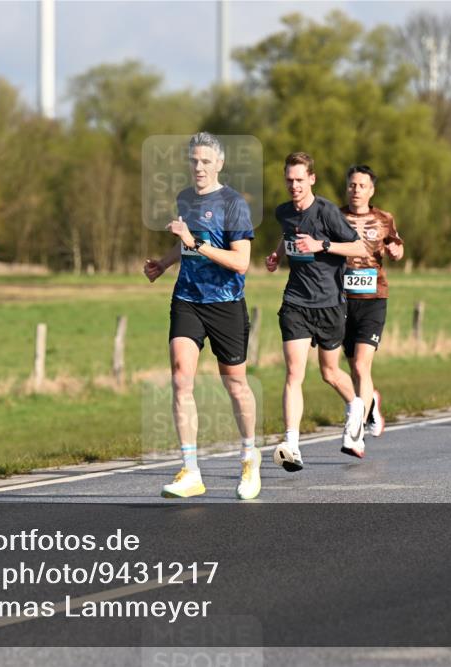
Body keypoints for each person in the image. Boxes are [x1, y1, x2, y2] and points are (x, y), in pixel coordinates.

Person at [143, 132, 261, 499]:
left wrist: (196, 243)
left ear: (219, 164)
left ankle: (249, 455)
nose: (199, 167)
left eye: (206, 161)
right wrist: (165, 262)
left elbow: (241, 262)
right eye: (194, 160)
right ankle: (191, 469)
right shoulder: (184, 198)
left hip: (225, 302)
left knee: (236, 385)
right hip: (188, 298)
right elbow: (186, 242)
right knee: (181, 378)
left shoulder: (233, 203)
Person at [265, 152, 369, 466]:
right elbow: (289, 236)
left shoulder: (326, 212)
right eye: (289, 180)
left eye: (299, 179)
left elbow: (359, 247)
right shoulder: (283, 211)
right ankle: (292, 445)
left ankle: (355, 406)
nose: (293, 186)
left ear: (311, 179)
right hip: (296, 301)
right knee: (294, 373)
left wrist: (322, 245)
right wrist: (277, 255)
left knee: (329, 372)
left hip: (330, 303)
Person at [339, 165, 404, 438]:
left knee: (360, 365)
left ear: (371, 190)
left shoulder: (384, 218)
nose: (356, 190)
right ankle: (370, 403)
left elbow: (398, 248)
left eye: (362, 186)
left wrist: (394, 250)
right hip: (342, 300)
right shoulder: (336, 216)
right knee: (353, 366)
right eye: (353, 185)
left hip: (373, 298)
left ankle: (357, 430)